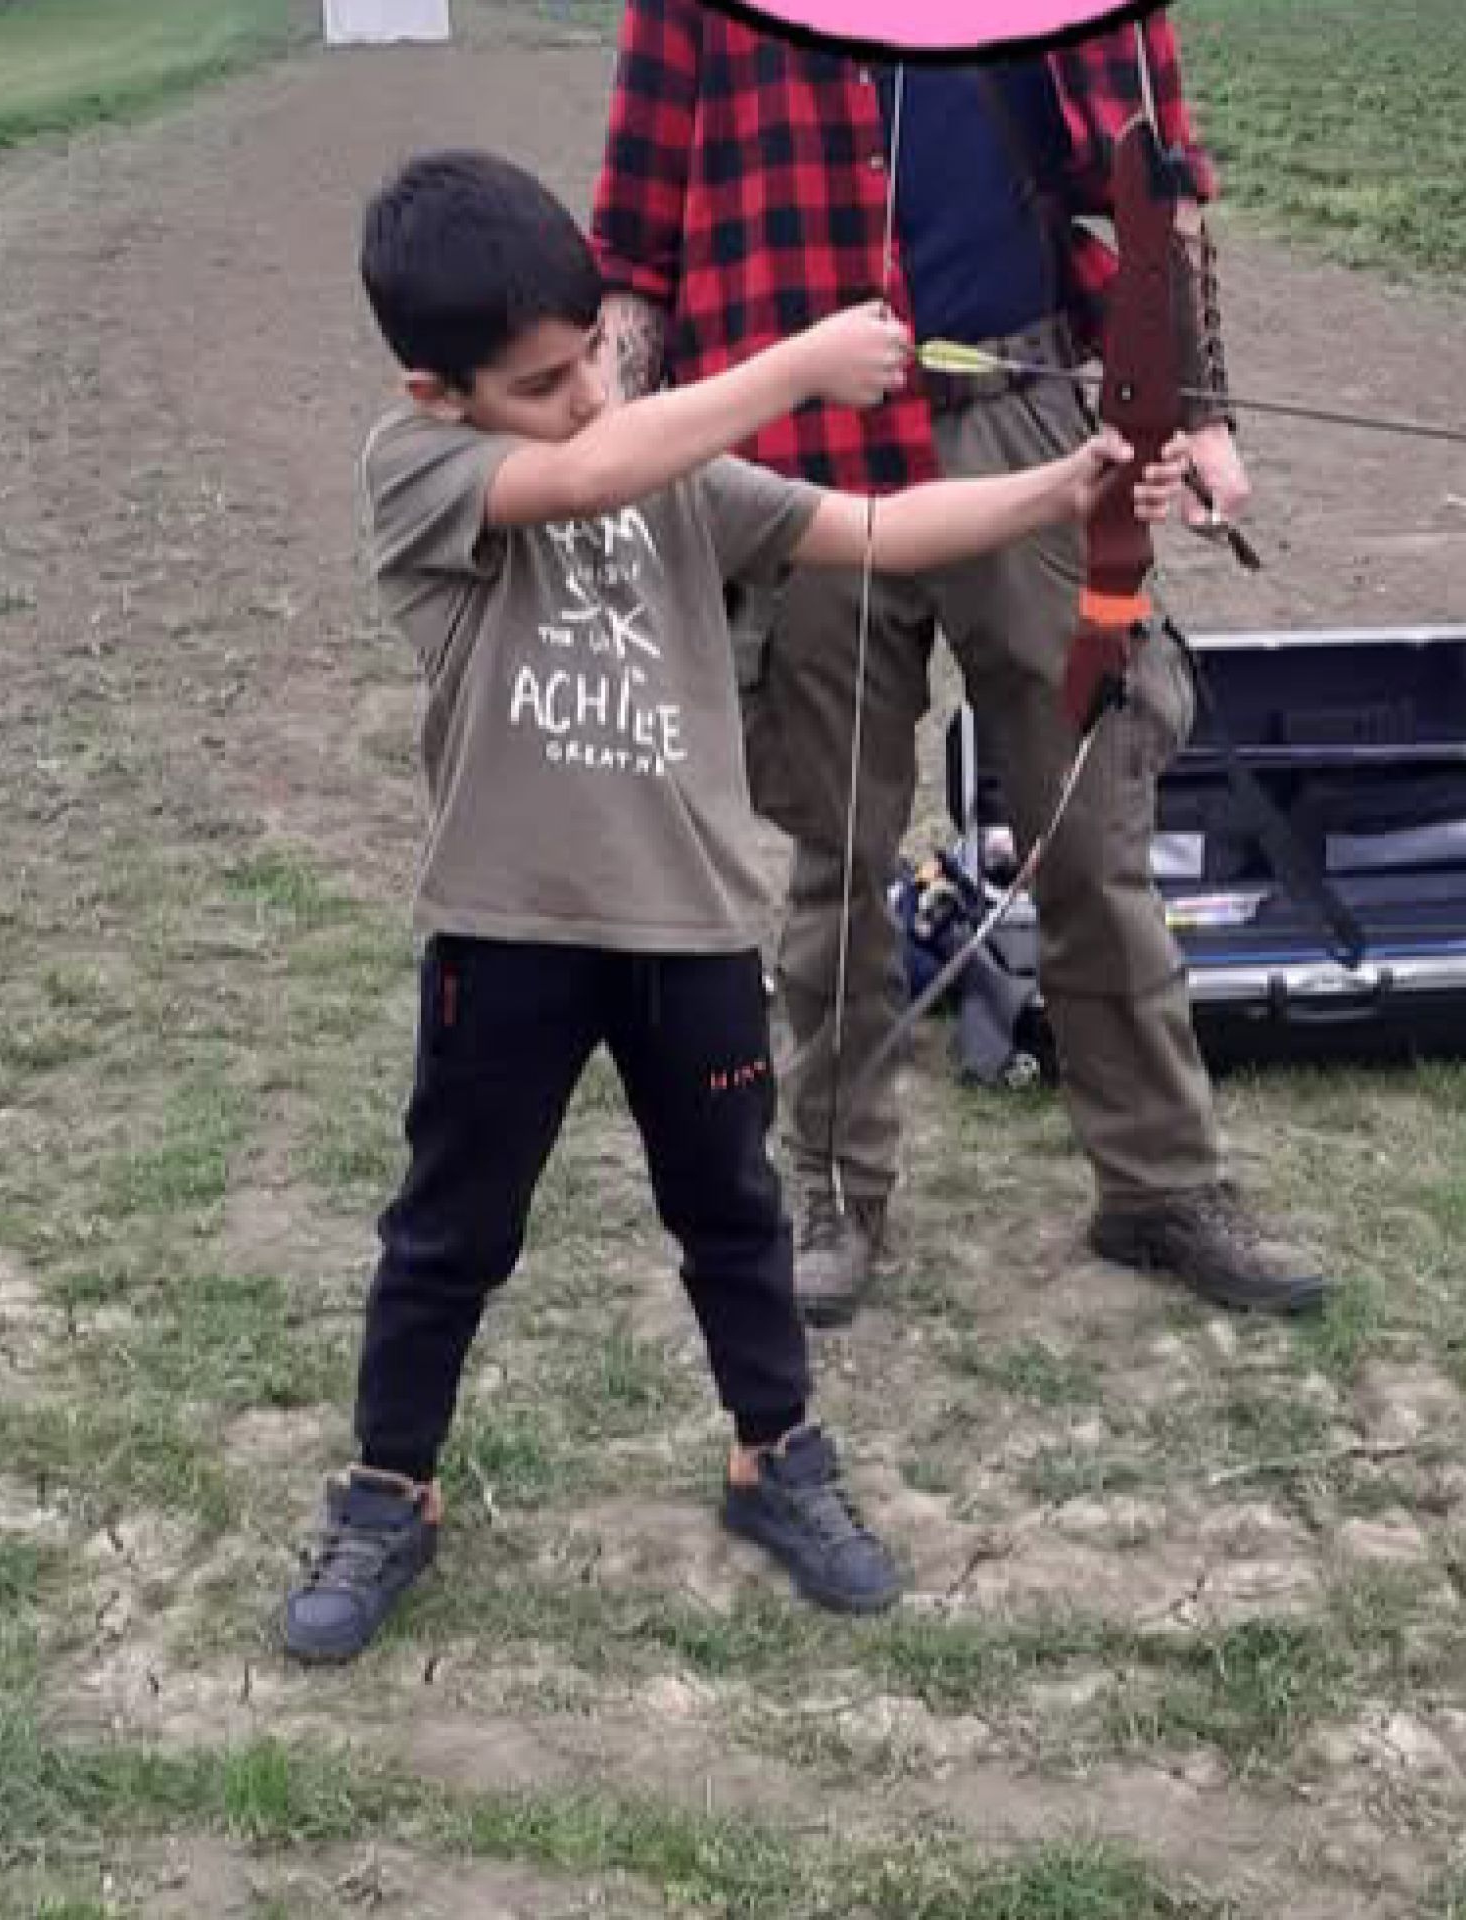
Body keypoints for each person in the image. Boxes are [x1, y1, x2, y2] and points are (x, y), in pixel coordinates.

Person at [281, 148, 1192, 1664]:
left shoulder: (679, 477)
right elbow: (583, 477)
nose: (587, 398)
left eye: (595, 357)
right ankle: (389, 1489)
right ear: (437, 393)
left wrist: (1070, 480)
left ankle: (776, 1456)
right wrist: (800, 364)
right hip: (508, 934)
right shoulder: (423, 468)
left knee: (733, 1215)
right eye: (540, 383)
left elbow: (882, 533)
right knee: (450, 1227)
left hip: (693, 929)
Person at [591, 0, 1333, 1326]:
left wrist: (1200, 415)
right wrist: (617, 462)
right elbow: (637, 242)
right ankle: (833, 1191)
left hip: (1034, 425)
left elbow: (1161, 191)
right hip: (799, 454)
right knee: (838, 852)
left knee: (1093, 833)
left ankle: (1159, 1184)